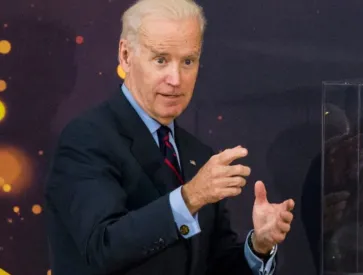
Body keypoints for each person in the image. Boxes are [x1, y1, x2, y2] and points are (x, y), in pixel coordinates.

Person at [43, 0, 295, 274]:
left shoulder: (198, 155)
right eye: (161, 59)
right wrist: (190, 197)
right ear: (126, 56)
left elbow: (216, 266)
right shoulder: (86, 139)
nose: (176, 79)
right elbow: (102, 248)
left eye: (188, 61)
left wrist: (258, 246)